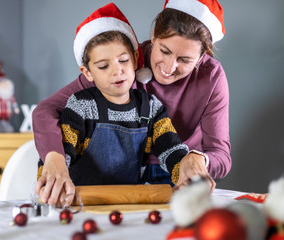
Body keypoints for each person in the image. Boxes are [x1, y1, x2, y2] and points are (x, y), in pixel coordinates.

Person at [34, 0, 229, 206]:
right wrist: (55, 157)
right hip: (119, 182)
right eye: (164, 51)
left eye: (185, 60)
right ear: (153, 35)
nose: (170, 68)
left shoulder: (211, 77)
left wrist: (197, 160)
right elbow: (45, 111)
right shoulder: (120, 60)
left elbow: (221, 155)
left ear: (201, 58)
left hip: (178, 173)